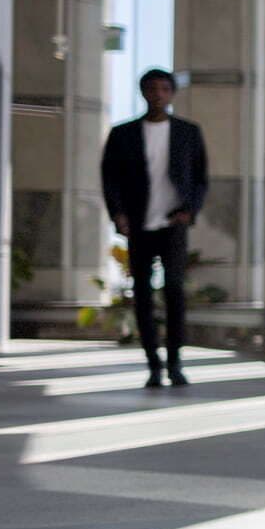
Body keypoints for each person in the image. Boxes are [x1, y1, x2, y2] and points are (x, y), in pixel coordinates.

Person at [100, 68, 211, 389]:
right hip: (138, 225)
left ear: (172, 93)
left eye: (164, 88)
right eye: (152, 88)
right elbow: (111, 179)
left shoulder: (189, 132)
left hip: (173, 223)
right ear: (143, 92)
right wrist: (118, 215)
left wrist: (189, 211)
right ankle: (153, 364)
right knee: (144, 296)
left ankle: (175, 362)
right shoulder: (123, 134)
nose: (158, 94)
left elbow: (201, 178)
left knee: (175, 290)